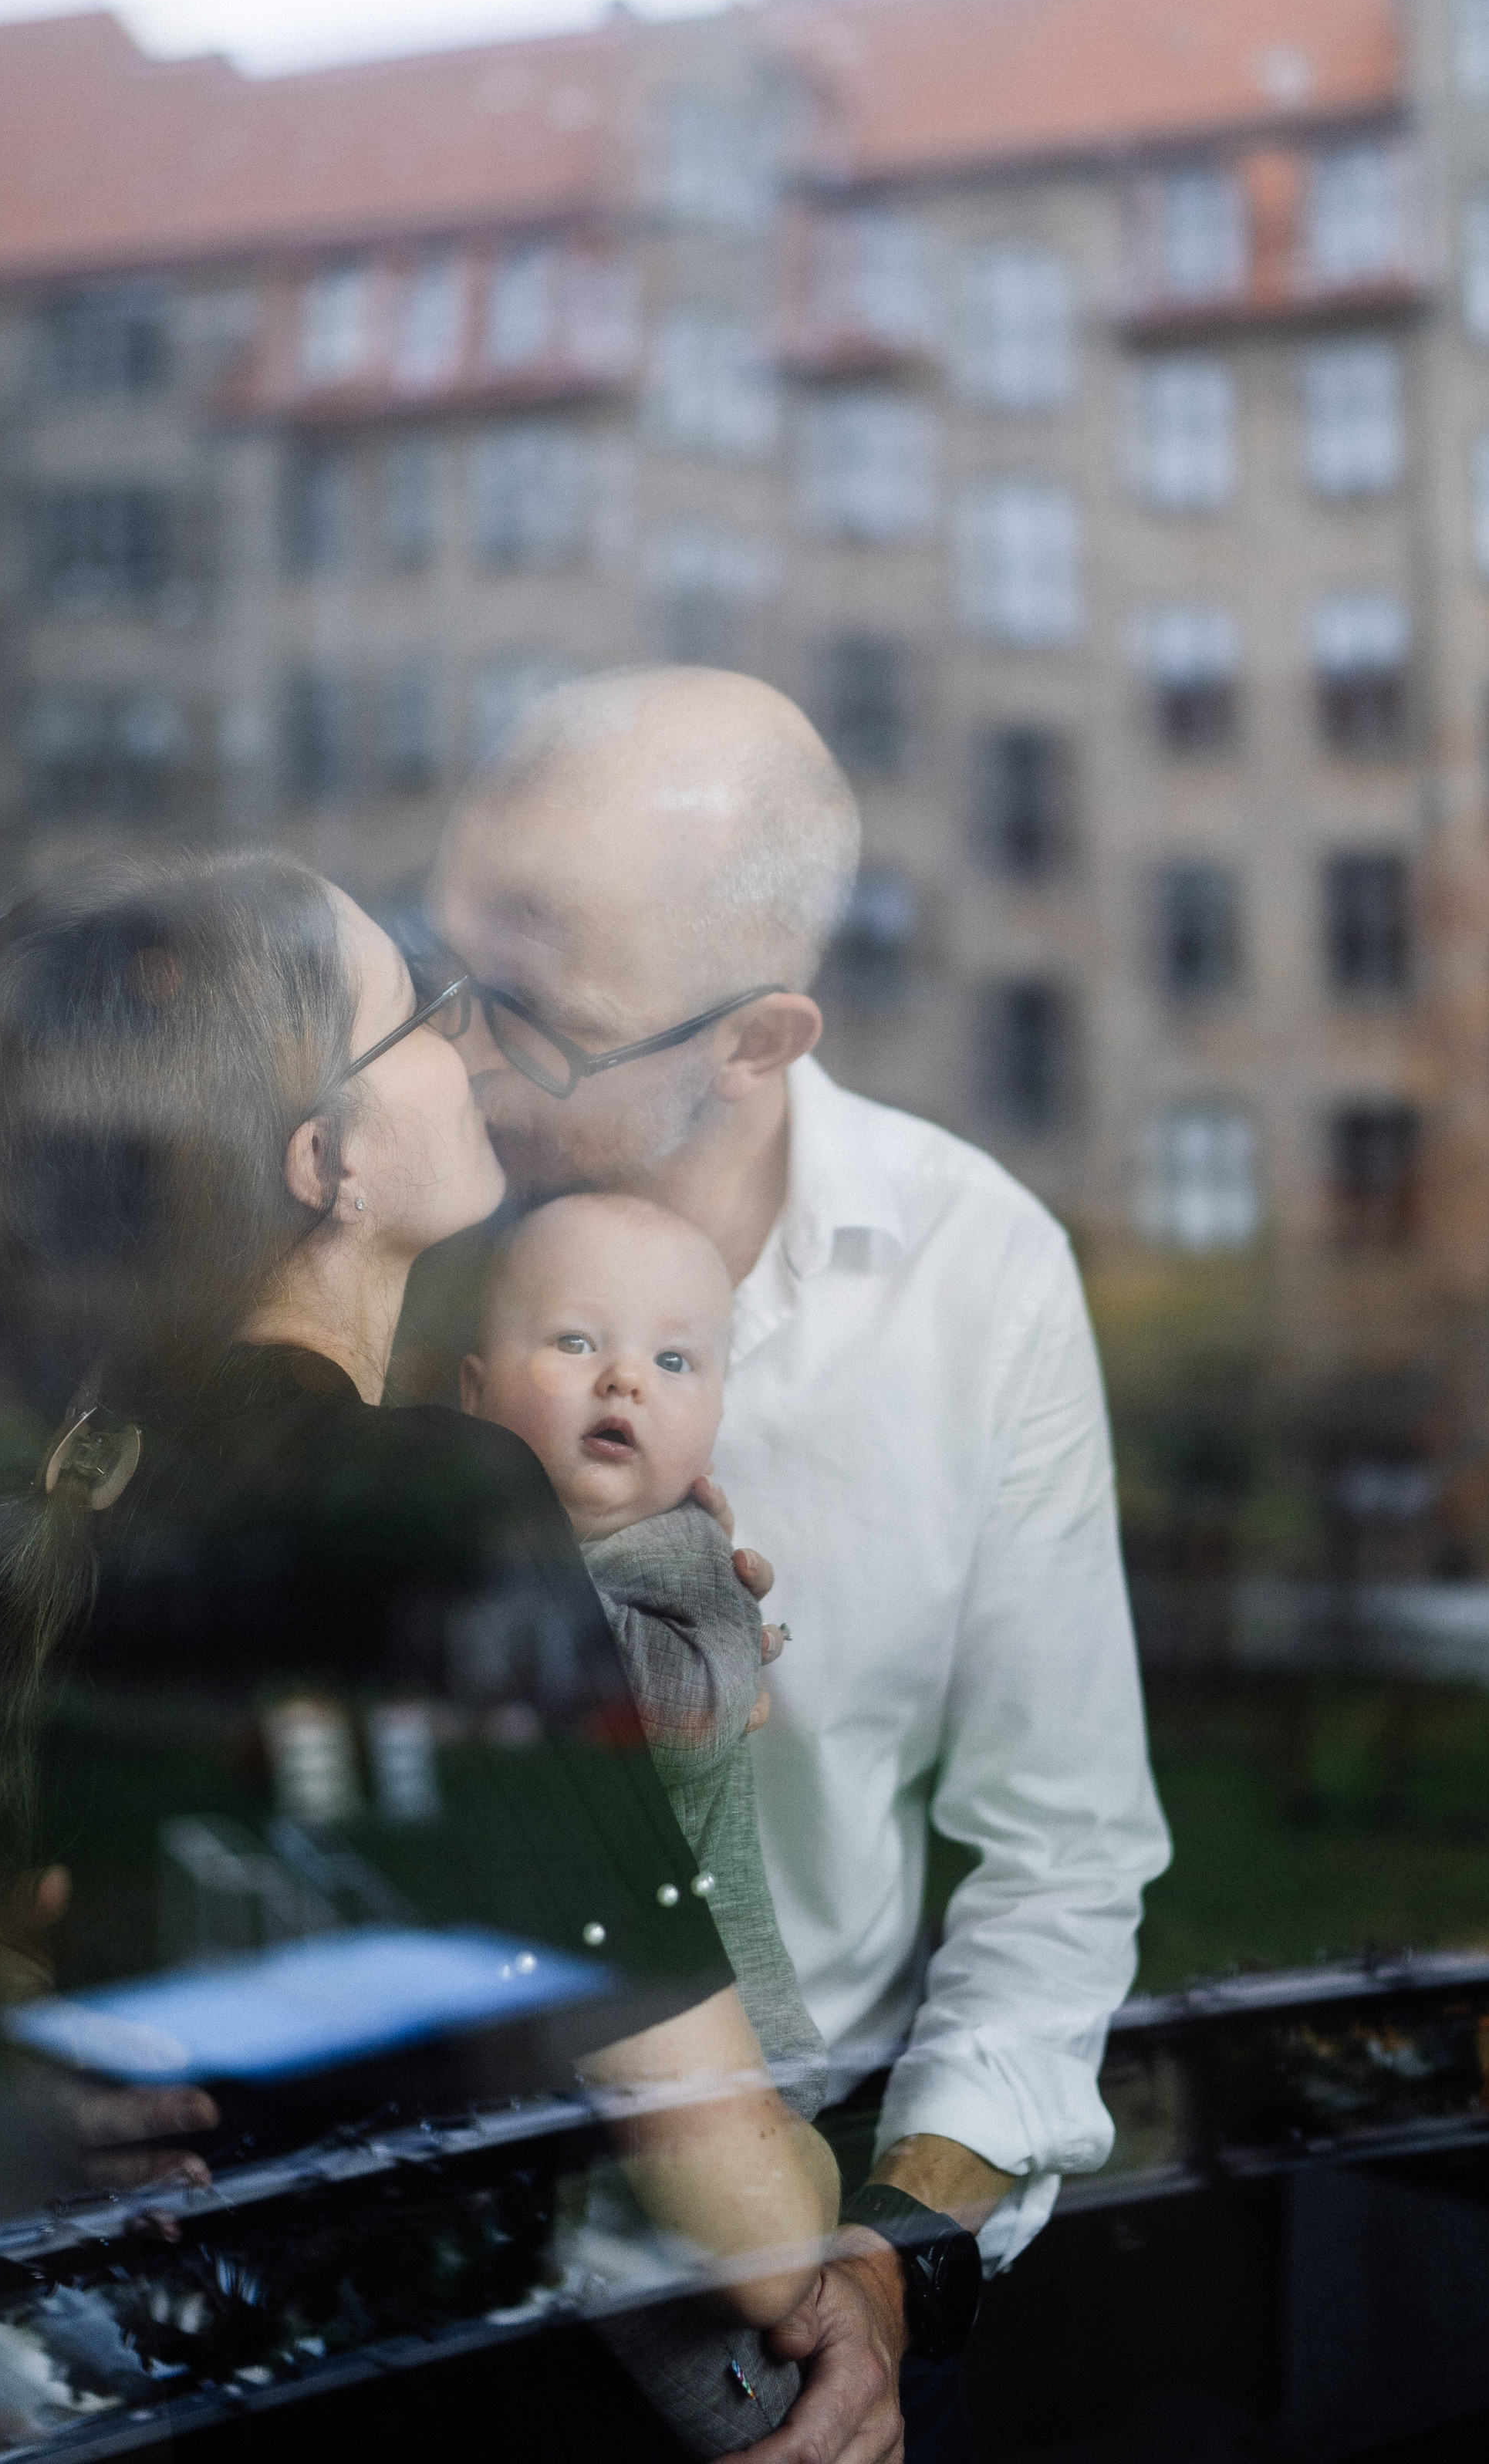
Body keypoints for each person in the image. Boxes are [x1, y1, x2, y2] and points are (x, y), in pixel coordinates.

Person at [0, 849, 845, 2454]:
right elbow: (746, 2222)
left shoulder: (110, 1480)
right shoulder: (419, 1502)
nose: (466, 1043)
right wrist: (867, 2249)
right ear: (326, 1160)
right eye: (414, 1017)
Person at [416, 667, 1173, 2462]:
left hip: (791, 2280)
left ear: (757, 1040)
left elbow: (1061, 1863)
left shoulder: (972, 1274)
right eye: (440, 970)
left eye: (523, 1015)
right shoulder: (389, 1232)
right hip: (380, 2256)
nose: (443, 1057)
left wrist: (898, 2255)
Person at [465, 1190, 829, 2451]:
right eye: (575, 1343)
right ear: (471, 1398)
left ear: (712, 1419)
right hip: (586, 2050)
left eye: (675, 1361)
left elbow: (676, 1706)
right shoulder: (496, 1560)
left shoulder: (682, 1565)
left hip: (719, 2058)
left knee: (703, 2356)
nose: (625, 1375)